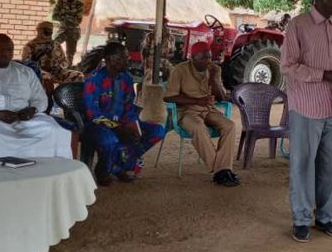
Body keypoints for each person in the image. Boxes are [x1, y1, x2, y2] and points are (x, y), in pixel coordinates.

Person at [281, 0, 332, 243]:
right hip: (307, 106)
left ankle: (325, 216)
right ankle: (301, 219)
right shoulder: (298, 26)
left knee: (330, 167)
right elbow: (288, 66)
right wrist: (325, 75)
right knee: (303, 164)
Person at [0, 34, 72, 163]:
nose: (5, 54)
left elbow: (41, 99)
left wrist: (32, 110)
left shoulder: (26, 72)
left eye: (9, 50)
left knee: (56, 131)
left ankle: (49, 170)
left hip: (25, 119)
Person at [83, 42, 165, 185]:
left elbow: (129, 106)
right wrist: (117, 128)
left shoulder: (126, 78)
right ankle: (103, 170)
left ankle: (121, 164)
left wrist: (132, 125)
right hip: (96, 125)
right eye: (122, 58)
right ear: (109, 60)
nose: (128, 60)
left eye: (127, 57)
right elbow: (92, 113)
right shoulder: (95, 79)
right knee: (110, 140)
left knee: (157, 131)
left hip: (121, 123)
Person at [164, 41, 239, 187]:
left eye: (209, 57)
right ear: (192, 58)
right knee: (199, 127)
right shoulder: (180, 70)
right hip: (186, 112)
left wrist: (214, 79)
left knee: (229, 126)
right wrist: (196, 101)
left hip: (208, 110)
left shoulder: (214, 69)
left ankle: (222, 170)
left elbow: (221, 97)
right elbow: (168, 97)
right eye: (203, 58)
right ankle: (221, 171)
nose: (207, 61)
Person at [21, 21, 83, 87]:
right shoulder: (30, 46)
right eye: (46, 30)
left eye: (50, 30)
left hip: (57, 72)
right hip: (40, 73)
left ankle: (65, 92)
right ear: (39, 30)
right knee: (47, 78)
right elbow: (27, 65)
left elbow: (64, 62)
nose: (49, 32)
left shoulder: (55, 44)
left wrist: (60, 66)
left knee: (78, 75)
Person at [52, 0, 84, 67]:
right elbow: (54, 16)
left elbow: (78, 20)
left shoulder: (79, 4)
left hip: (73, 31)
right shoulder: (60, 1)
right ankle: (59, 61)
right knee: (53, 44)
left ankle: (68, 67)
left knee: (70, 54)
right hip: (63, 30)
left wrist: (64, 17)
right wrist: (70, 18)